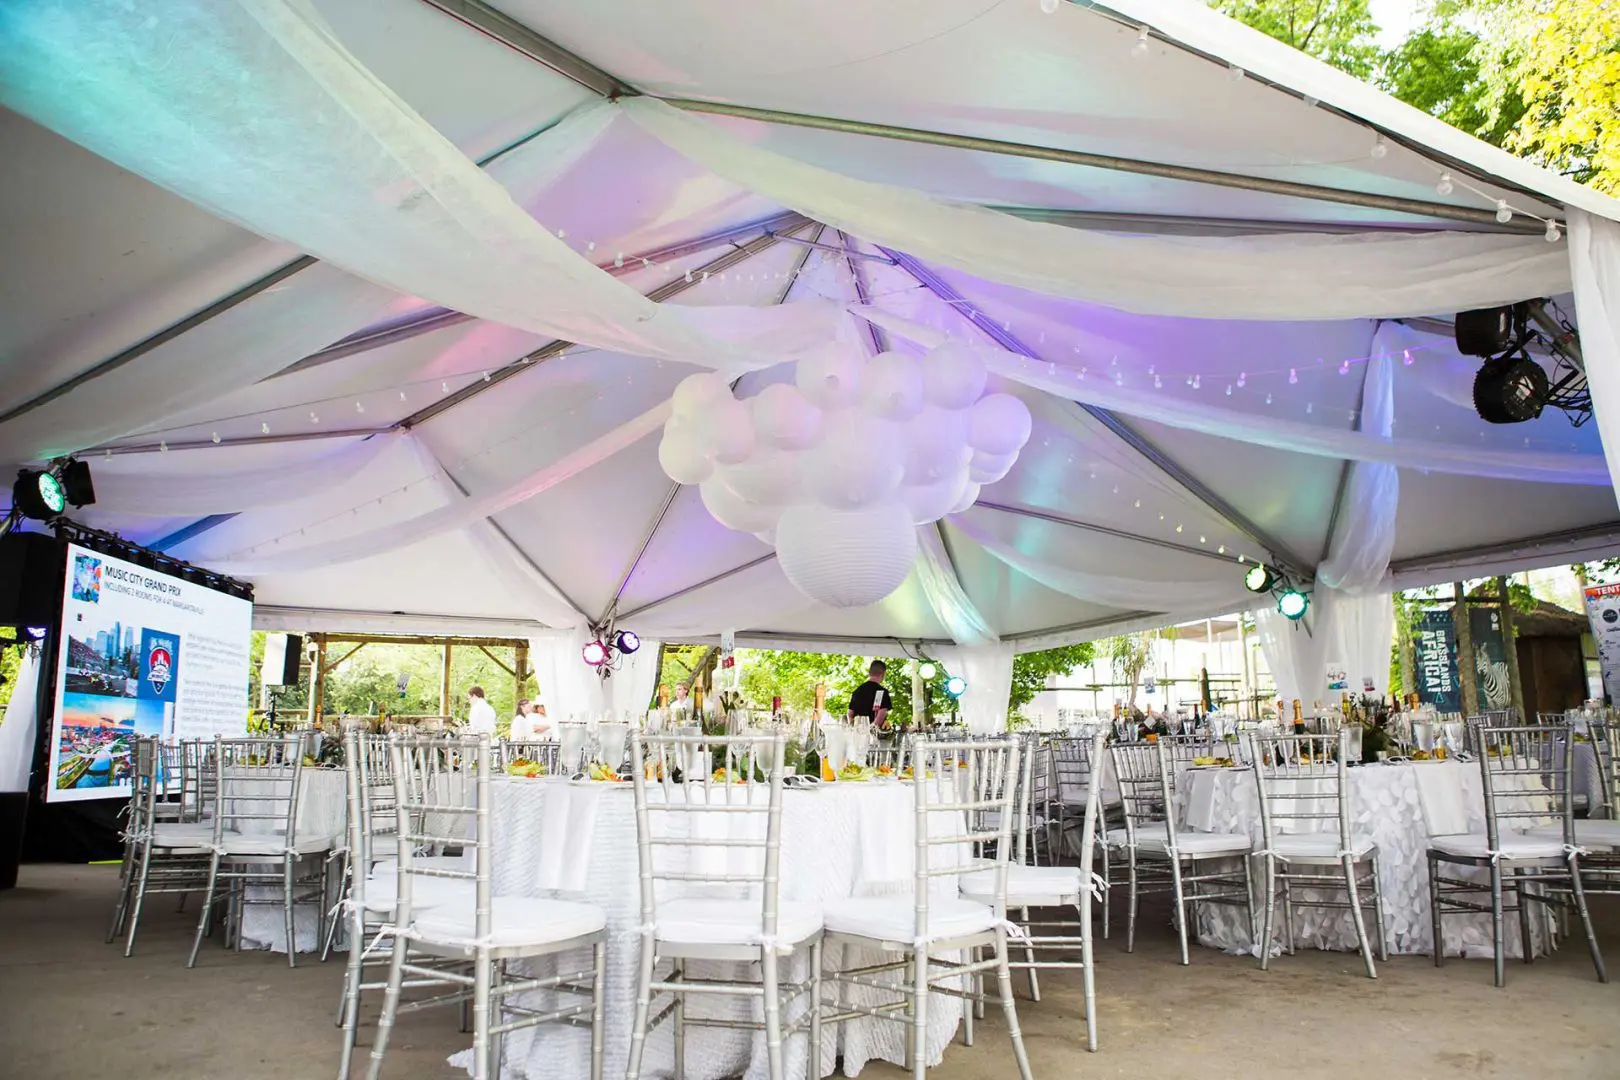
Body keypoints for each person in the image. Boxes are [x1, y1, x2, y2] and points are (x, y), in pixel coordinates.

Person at [847, 660, 892, 729]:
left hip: (857, 733)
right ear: (883, 674)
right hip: (874, 736)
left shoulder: (857, 691)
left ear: (869, 673)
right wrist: (869, 730)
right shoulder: (882, 692)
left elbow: (850, 715)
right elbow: (880, 718)